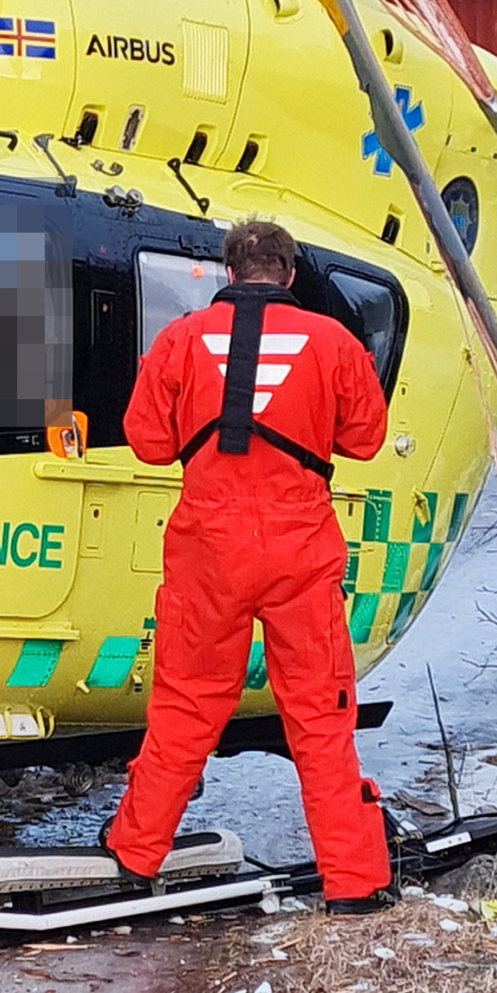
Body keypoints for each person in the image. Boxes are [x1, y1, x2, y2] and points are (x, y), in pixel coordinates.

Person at [104, 219, 398, 912]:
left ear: (227, 272)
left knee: (184, 708)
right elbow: (365, 441)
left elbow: (147, 442)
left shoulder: (178, 340)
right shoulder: (334, 342)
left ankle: (135, 855)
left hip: (207, 549)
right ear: (290, 274)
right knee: (320, 718)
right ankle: (354, 884)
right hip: (299, 551)